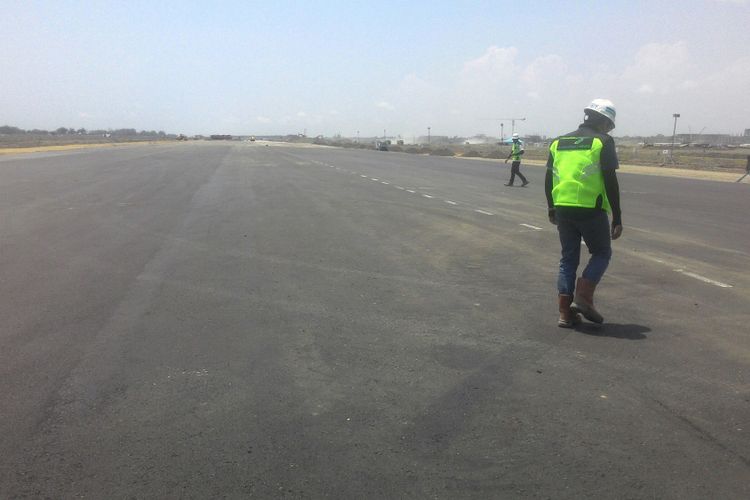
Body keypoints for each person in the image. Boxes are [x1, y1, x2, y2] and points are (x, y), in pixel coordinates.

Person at [545, 99, 623, 327]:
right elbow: (610, 179)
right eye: (609, 125)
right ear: (603, 121)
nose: (609, 129)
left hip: (562, 208)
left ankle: (564, 313)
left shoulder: (559, 142)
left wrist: (551, 206)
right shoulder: (603, 141)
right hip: (590, 209)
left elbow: (549, 178)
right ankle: (583, 297)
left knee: (568, 259)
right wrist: (617, 217)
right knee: (601, 253)